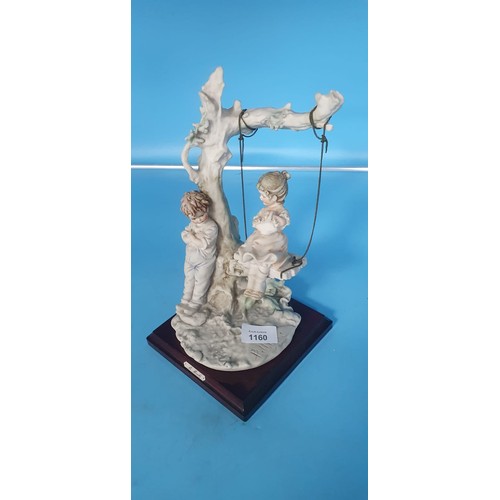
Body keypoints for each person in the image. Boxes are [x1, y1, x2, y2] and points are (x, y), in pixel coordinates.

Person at [234, 171, 291, 309]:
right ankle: (250, 288)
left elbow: (282, 223)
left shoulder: (281, 212)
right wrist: (258, 221)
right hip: (259, 240)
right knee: (253, 263)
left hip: (273, 243)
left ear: (275, 197)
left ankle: (257, 290)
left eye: (263, 195)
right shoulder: (264, 210)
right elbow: (256, 222)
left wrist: (276, 220)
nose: (261, 198)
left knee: (262, 265)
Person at [179, 191, 218, 311]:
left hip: (204, 262)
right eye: (193, 218)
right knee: (189, 279)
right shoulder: (192, 224)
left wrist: (191, 237)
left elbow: (203, 244)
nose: (198, 220)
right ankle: (186, 298)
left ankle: (197, 302)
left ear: (207, 209)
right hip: (190, 259)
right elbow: (184, 235)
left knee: (201, 282)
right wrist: (193, 238)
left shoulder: (211, 226)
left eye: (201, 215)